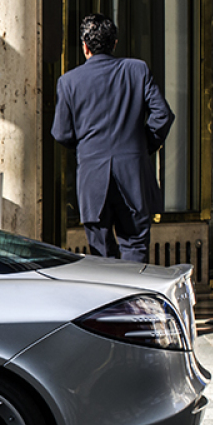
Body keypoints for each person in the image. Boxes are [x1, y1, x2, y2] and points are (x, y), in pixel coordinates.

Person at [51, 13, 174, 262]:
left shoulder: (69, 82)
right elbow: (163, 115)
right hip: (134, 175)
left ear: (85, 47)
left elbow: (61, 133)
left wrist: (88, 148)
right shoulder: (137, 70)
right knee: (136, 247)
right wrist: (143, 145)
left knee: (102, 255)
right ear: (115, 43)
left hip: (93, 178)